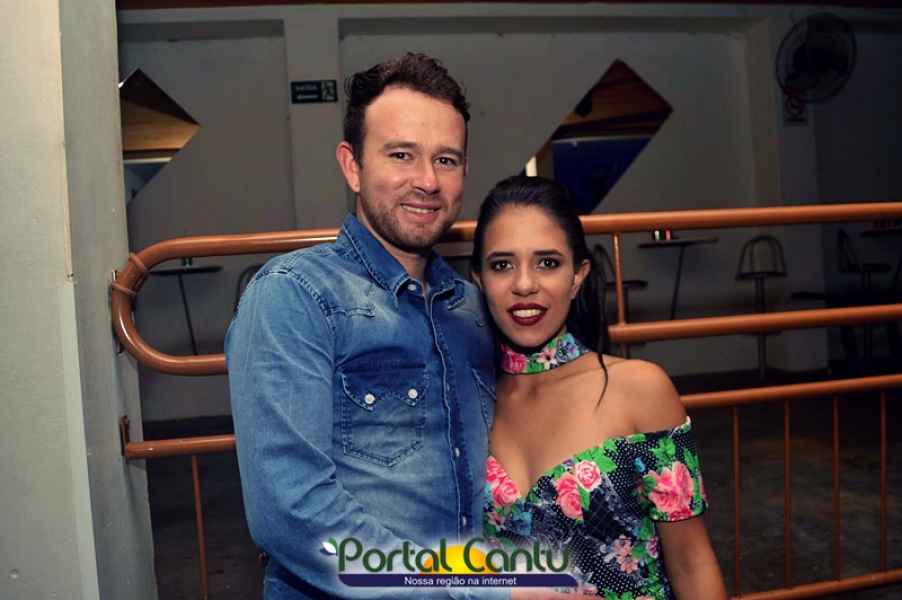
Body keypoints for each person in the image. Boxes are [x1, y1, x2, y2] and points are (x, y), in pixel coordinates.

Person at [226, 54, 566, 599]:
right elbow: (291, 512)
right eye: (401, 155)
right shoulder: (295, 295)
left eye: (446, 160)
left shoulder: (473, 309)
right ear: (352, 166)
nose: (427, 181)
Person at [472, 175, 727, 599]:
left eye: (547, 263)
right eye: (502, 265)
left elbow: (691, 562)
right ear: (480, 280)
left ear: (577, 276)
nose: (524, 284)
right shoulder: (466, 400)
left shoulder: (640, 389)